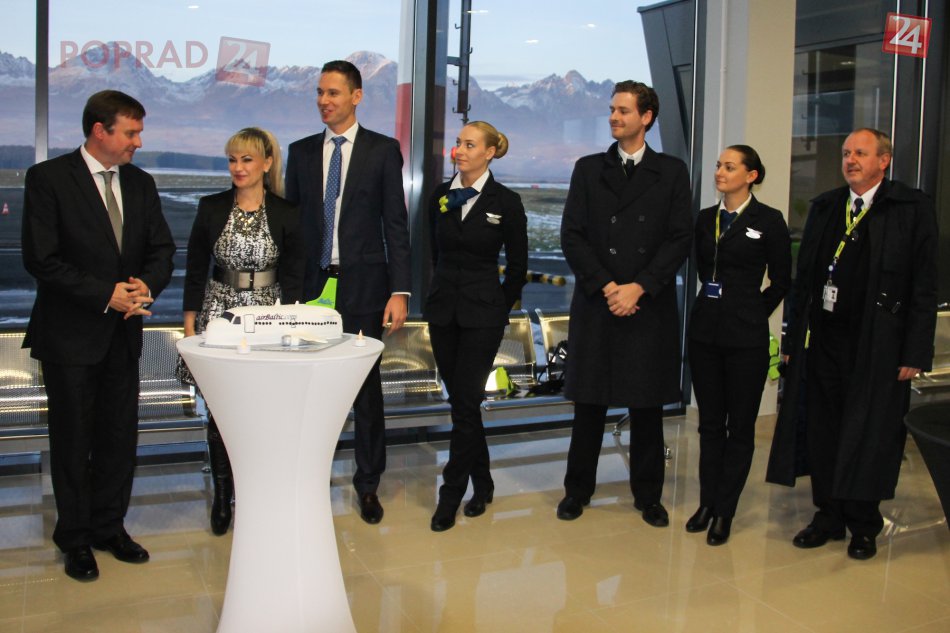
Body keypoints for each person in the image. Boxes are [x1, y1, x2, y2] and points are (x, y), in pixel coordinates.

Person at [20, 90, 176, 581]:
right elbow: (41, 258)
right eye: (130, 132)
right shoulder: (48, 179)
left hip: (123, 336)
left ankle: (110, 527)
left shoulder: (141, 183)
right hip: (69, 337)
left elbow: (162, 249)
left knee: (117, 437)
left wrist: (145, 284)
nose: (138, 142)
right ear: (99, 131)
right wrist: (105, 294)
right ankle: (75, 539)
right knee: (72, 440)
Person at [766, 128, 937, 560]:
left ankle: (863, 523)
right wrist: (792, 339)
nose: (850, 160)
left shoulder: (910, 208)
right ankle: (828, 516)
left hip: (879, 345)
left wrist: (916, 352)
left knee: (869, 433)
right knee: (824, 429)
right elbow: (804, 281)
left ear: (884, 160)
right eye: (846, 153)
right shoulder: (827, 207)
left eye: (861, 153)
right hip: (825, 341)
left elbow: (924, 286)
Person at [557, 80, 692, 527]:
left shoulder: (671, 171)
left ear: (646, 117)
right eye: (612, 109)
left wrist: (640, 287)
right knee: (589, 406)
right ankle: (577, 491)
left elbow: (679, 238)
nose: (614, 117)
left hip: (647, 305)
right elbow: (572, 235)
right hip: (599, 301)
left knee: (647, 408)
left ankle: (649, 496)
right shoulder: (588, 169)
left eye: (624, 111)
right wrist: (609, 285)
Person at [285, 59, 411, 525]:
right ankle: (304, 477)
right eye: (320, 92)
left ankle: (368, 484)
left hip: (364, 287)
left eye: (333, 93)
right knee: (306, 390)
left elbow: (395, 224)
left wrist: (400, 290)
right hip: (309, 290)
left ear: (356, 97)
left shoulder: (382, 150)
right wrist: (287, 291)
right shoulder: (300, 152)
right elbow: (292, 228)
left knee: (365, 391)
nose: (324, 100)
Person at [180, 127, 303, 535]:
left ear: (266, 164)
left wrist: (292, 326)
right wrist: (190, 321)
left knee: (263, 411)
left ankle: (257, 493)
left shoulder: (287, 212)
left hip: (268, 318)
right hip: (219, 316)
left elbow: (295, 277)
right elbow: (195, 267)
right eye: (232, 159)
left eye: (247, 159)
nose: (238, 167)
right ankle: (223, 496)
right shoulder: (211, 207)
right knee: (220, 411)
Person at [424, 121, 528, 532]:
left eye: (469, 145)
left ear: (489, 152)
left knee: (465, 403)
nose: (459, 151)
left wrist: (499, 305)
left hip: (483, 316)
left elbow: (517, 266)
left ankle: (450, 493)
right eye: (457, 143)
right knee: (463, 404)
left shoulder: (506, 201)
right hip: (443, 313)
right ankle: (483, 484)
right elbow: (434, 253)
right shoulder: (441, 195)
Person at [685, 145, 791, 545]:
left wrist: (753, 310)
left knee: (740, 426)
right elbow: (702, 269)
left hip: (746, 338)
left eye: (729, 167)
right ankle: (707, 502)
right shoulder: (705, 218)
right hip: (705, 333)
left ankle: (725, 511)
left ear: (751, 176)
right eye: (718, 165)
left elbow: (782, 280)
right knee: (710, 424)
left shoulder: (769, 220)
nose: (720, 172)